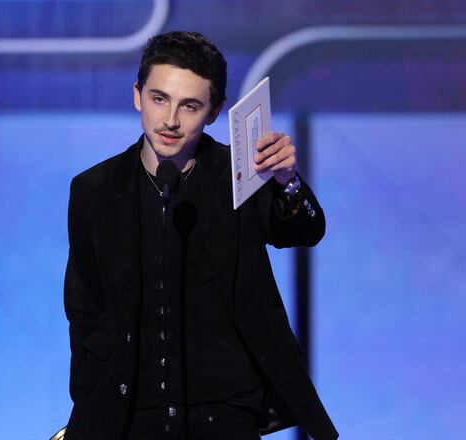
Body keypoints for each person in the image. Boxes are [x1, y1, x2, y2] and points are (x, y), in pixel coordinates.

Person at [62, 31, 337, 440]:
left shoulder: (241, 175)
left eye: (189, 106)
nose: (170, 120)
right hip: (129, 415)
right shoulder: (94, 189)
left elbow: (305, 229)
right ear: (138, 96)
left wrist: (287, 182)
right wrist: (91, 396)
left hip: (224, 416)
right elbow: (84, 307)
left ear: (214, 112)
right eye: (159, 99)